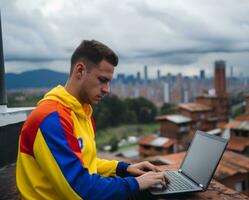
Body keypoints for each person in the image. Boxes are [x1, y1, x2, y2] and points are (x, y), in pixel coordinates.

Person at [16, 40, 168, 200]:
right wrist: (135, 183)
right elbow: (82, 190)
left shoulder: (82, 112)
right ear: (80, 71)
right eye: (102, 80)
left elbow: (84, 163)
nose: (107, 89)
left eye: (109, 82)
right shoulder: (51, 119)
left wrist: (123, 168)